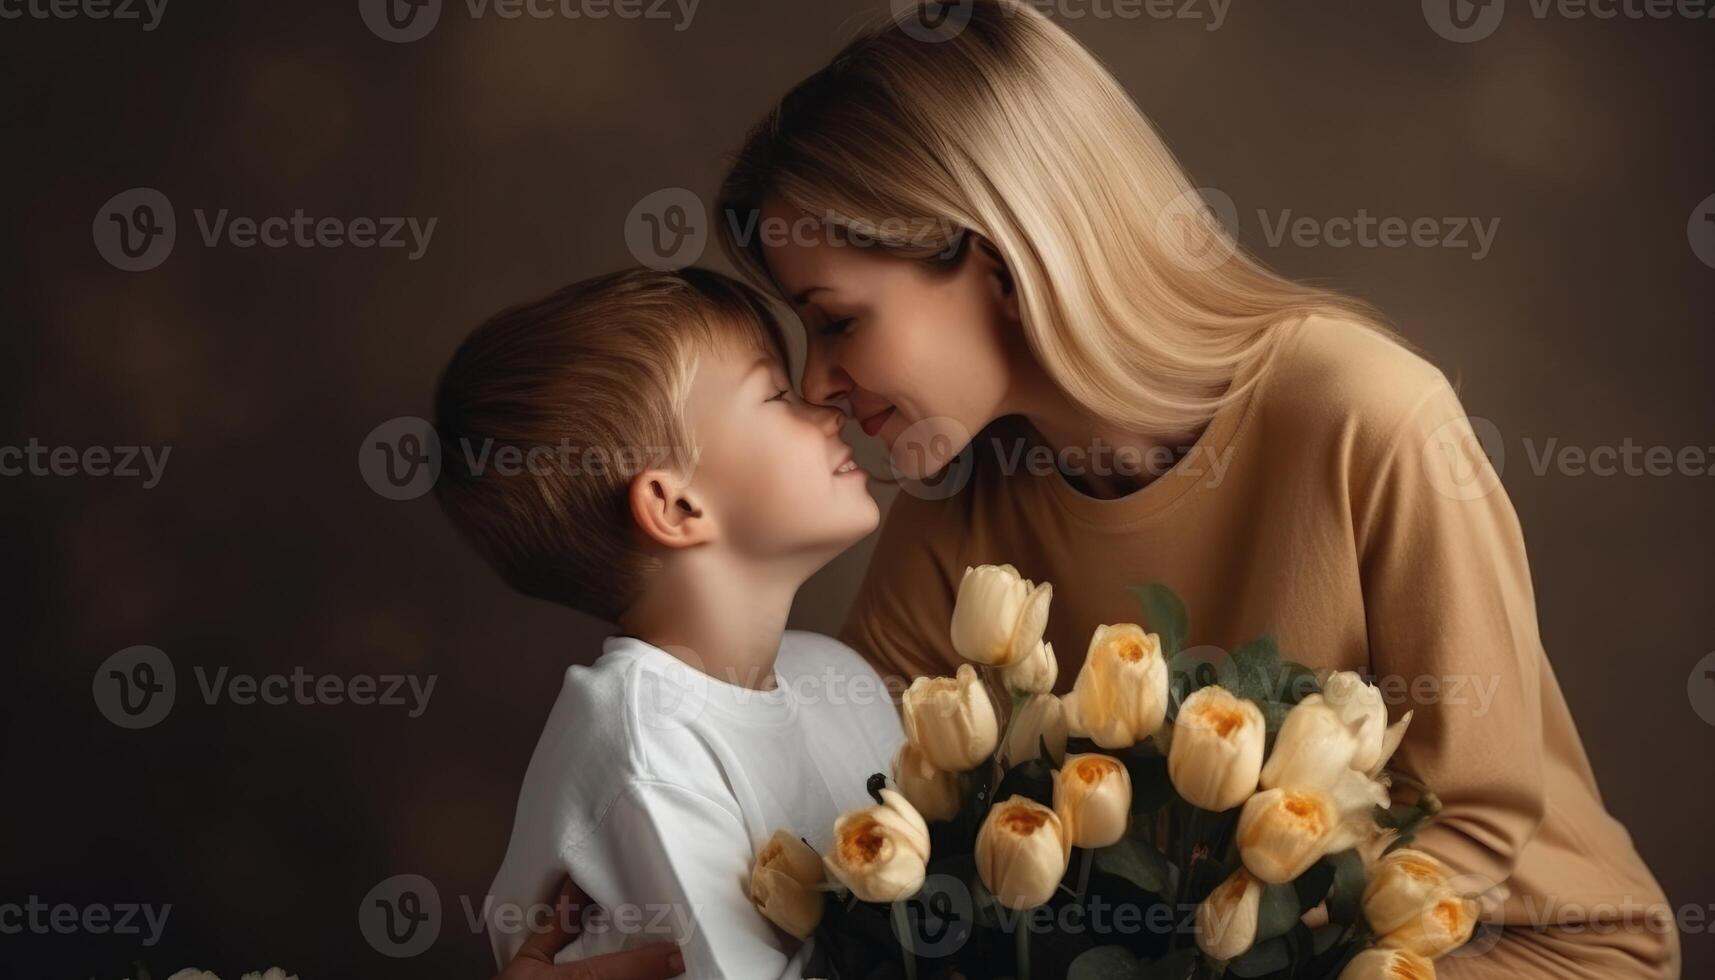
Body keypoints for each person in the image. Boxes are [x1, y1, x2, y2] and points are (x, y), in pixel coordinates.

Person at [706, 1, 1680, 977]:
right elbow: (843, 788)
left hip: (1511, 948)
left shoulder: (1364, 415)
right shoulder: (958, 494)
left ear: (994, 255)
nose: (816, 384)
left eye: (834, 321)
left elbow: (1473, 813)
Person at [433, 268, 905, 977]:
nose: (823, 405)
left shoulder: (835, 676)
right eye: (774, 393)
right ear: (676, 506)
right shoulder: (643, 748)